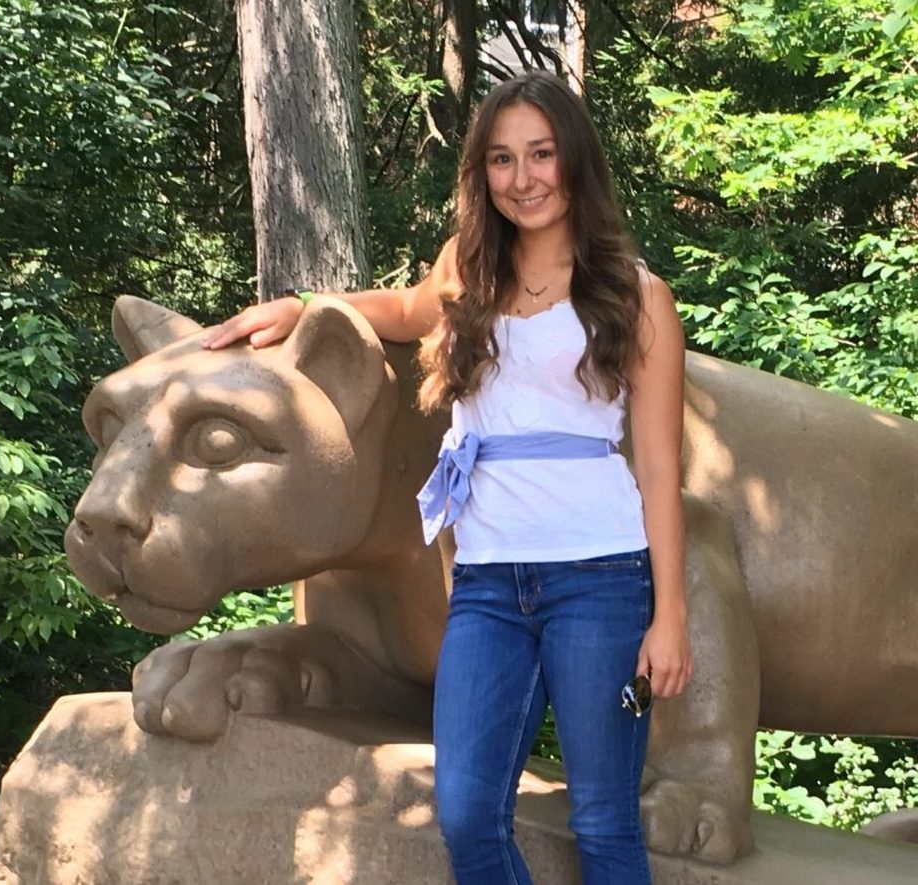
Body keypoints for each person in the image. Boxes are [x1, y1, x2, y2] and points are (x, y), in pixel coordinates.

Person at [199, 70, 692, 885]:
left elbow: (662, 470)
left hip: (601, 579)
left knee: (603, 819)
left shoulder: (637, 298)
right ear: (483, 173)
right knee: (465, 815)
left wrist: (668, 614)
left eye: (540, 154)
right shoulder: (468, 269)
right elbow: (400, 309)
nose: (523, 178)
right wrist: (305, 307)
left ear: (573, 161)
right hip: (487, 586)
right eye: (502, 160)